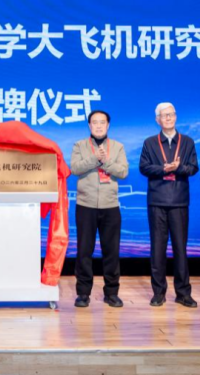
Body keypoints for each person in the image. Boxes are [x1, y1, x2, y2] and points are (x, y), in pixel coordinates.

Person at [139, 102, 199, 308]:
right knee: (158, 249)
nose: (168, 118)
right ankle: (158, 293)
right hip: (157, 201)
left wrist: (178, 168)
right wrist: (164, 169)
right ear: (158, 120)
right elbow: (144, 168)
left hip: (179, 201)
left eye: (171, 114)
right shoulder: (150, 143)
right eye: (164, 115)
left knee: (180, 248)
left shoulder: (188, 142)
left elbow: (193, 168)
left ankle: (183, 293)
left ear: (176, 116)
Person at [70, 110, 129, 308]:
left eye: (102, 122)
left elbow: (123, 172)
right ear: (89, 125)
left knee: (111, 251)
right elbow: (75, 168)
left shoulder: (118, 147)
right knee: (84, 251)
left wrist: (106, 162)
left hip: (110, 206)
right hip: (85, 205)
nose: (98, 126)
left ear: (108, 125)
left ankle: (111, 293)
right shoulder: (79, 145)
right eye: (94, 122)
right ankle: (83, 293)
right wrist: (95, 158)